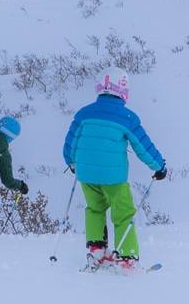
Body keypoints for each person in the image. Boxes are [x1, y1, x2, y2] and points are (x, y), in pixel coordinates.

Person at [63, 74, 166, 268]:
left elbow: (70, 144)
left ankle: (97, 251)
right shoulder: (126, 117)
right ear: (124, 92)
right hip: (114, 177)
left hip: (85, 173)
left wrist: (72, 163)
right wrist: (159, 166)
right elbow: (142, 146)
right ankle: (127, 258)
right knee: (124, 214)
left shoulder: (84, 113)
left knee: (94, 208)